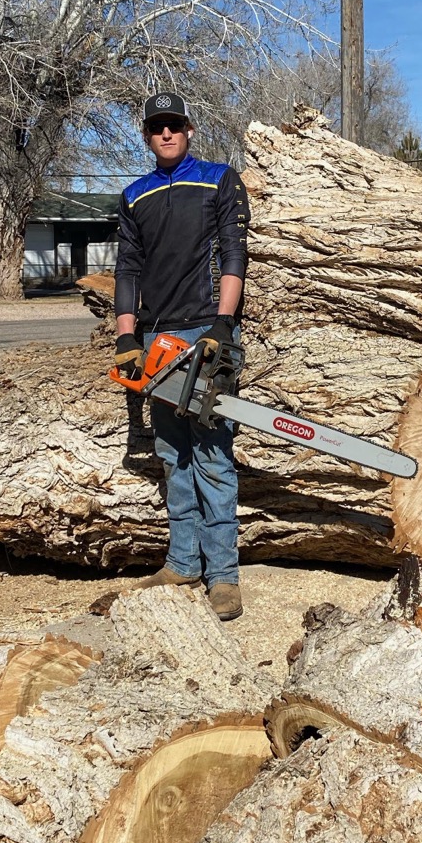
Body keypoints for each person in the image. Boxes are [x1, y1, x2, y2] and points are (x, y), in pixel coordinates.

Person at [112, 92, 250, 621]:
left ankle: (224, 577)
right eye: (156, 128)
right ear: (147, 136)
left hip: (206, 331)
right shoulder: (135, 195)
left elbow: (234, 252)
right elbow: (127, 269)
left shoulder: (218, 178)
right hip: (156, 338)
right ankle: (181, 562)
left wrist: (223, 320)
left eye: (174, 126)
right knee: (173, 455)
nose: (165, 135)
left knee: (213, 455)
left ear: (189, 129)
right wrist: (127, 336)